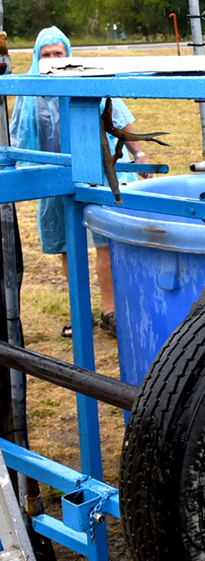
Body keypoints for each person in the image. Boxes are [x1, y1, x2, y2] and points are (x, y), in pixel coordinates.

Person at [9, 26, 149, 337]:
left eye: (59, 53)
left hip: (96, 172)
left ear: (69, 54)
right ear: (37, 57)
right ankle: (80, 314)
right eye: (47, 55)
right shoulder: (29, 89)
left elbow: (118, 118)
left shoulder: (88, 79)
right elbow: (17, 134)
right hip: (53, 174)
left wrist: (138, 154)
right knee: (66, 245)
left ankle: (110, 311)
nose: (53, 59)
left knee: (104, 242)